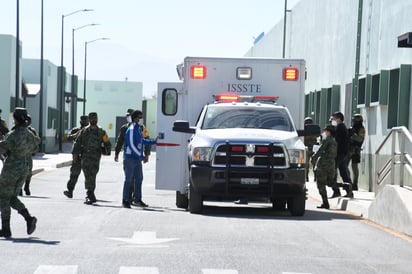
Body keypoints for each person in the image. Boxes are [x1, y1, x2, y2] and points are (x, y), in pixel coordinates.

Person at [0, 108, 39, 238]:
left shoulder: (13, 134)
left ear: (16, 119)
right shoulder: (30, 134)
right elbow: (35, 147)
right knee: (12, 198)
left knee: (3, 198)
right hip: (24, 168)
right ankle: (29, 218)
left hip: (11, 169)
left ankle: (6, 229)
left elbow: (2, 148)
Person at [72, 112, 111, 205]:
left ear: (97, 119)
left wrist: (107, 150)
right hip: (85, 156)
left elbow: (107, 142)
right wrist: (75, 154)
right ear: (89, 120)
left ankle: (90, 193)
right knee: (88, 175)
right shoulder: (84, 131)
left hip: (95, 156)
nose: (94, 120)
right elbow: (77, 143)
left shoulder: (101, 131)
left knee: (92, 175)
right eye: (92, 119)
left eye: (95, 119)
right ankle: (90, 193)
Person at [122, 110, 157, 208]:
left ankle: (137, 199)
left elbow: (141, 141)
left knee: (139, 178)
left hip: (137, 159)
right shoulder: (132, 129)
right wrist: (140, 155)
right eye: (140, 117)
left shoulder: (138, 128)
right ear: (135, 118)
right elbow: (132, 145)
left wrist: (153, 142)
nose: (142, 119)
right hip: (130, 158)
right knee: (129, 179)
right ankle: (125, 200)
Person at [63, 115, 89, 198]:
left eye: (85, 121)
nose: (83, 122)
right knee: (74, 174)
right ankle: (70, 191)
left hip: (87, 156)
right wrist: (75, 135)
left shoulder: (90, 131)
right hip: (77, 156)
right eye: (82, 120)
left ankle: (90, 193)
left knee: (89, 176)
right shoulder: (76, 130)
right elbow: (67, 138)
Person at [311, 125, 337, 209]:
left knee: (320, 184)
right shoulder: (334, 141)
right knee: (330, 182)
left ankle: (325, 202)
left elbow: (320, 150)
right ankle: (345, 186)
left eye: (326, 131)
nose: (324, 132)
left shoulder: (326, 140)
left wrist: (313, 159)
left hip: (323, 164)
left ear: (329, 132)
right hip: (332, 164)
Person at [330, 111, 353, 198]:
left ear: (339, 119)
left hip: (339, 153)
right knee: (344, 173)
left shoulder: (340, 128)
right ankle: (349, 191)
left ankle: (336, 190)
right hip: (342, 153)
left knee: (332, 172)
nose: (333, 120)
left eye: (334, 118)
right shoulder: (342, 127)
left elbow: (336, 142)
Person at [20, 115, 39, 196]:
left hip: (28, 154)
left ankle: (26, 186)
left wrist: (33, 150)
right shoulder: (18, 130)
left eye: (28, 121)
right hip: (19, 154)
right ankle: (19, 188)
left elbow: (37, 141)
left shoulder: (32, 131)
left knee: (29, 172)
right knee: (19, 172)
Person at [347, 114, 365, 191]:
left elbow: (360, 139)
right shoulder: (353, 128)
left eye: (355, 120)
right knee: (345, 166)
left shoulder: (361, 129)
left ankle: (355, 184)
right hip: (349, 149)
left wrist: (352, 135)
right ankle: (348, 182)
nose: (354, 121)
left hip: (356, 150)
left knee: (354, 167)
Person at [304, 117, 318, 181]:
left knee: (315, 163)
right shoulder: (304, 129)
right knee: (306, 164)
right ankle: (306, 177)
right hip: (307, 148)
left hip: (313, 148)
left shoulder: (314, 129)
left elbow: (317, 137)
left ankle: (315, 177)